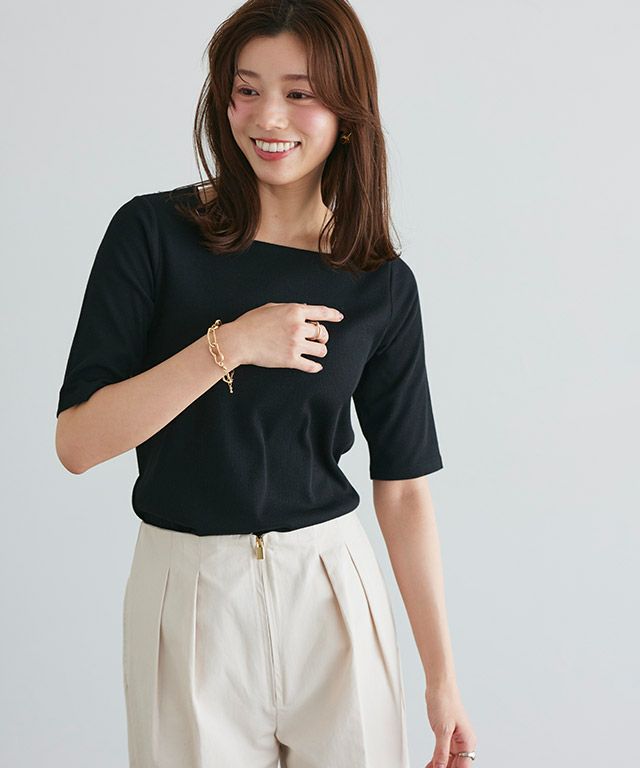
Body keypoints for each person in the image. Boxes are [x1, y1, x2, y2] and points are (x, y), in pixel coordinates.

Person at [55, 1, 477, 766]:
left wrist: (442, 679)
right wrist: (233, 345)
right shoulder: (151, 235)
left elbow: (405, 490)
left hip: (331, 593)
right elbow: (78, 442)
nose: (267, 117)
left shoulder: (379, 282)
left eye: (299, 92)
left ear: (347, 111)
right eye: (247, 90)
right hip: (188, 594)